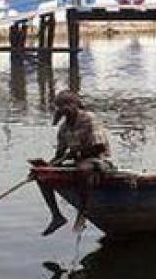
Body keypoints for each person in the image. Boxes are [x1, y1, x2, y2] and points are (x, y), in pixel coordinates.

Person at [36, 90, 113, 236]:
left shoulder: (89, 119)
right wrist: (48, 166)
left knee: (82, 170)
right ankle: (57, 216)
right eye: (60, 106)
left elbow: (100, 147)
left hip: (98, 160)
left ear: (75, 105)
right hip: (77, 162)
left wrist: (75, 154)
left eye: (66, 104)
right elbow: (59, 154)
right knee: (41, 175)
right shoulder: (64, 128)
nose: (63, 109)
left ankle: (83, 212)